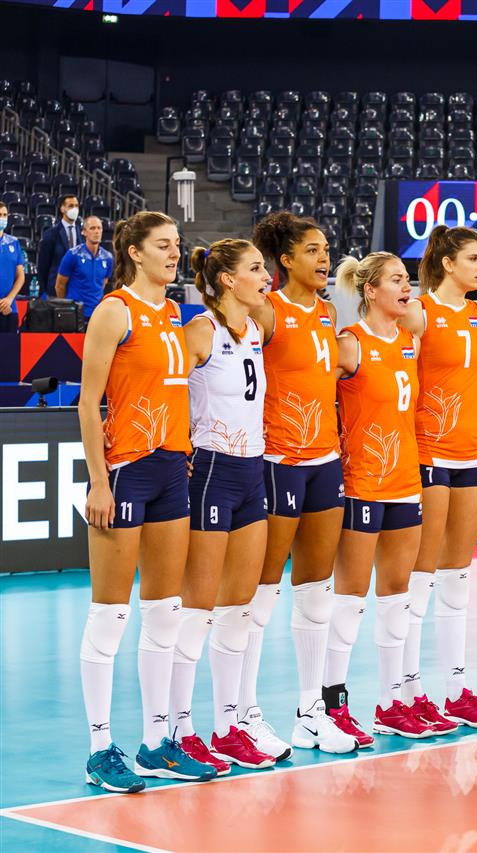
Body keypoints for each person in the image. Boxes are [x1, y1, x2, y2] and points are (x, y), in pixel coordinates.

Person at [76, 211, 215, 792]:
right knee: (110, 617)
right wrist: (99, 481)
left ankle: (157, 744)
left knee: (164, 613)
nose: (174, 253)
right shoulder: (116, 311)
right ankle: (99, 750)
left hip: (171, 471)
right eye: (163, 245)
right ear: (134, 252)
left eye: (177, 244)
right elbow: (88, 402)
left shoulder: (174, 313)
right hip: (126, 472)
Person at [249, 212, 359, 754]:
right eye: (312, 250)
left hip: (325, 459)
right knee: (261, 591)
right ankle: (243, 713)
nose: (323, 258)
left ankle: (310, 713)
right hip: (278, 460)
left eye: (326, 249)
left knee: (317, 591)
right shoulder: (266, 310)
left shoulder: (326, 312)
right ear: (286, 258)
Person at [167, 240, 278, 774]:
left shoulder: (254, 328)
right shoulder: (200, 331)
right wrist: (176, 447)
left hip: (252, 470)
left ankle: (228, 727)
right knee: (198, 609)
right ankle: (178, 730)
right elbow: (163, 387)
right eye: (256, 269)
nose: (266, 276)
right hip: (212, 471)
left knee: (240, 608)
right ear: (228, 279)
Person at [323, 252, 437, 740]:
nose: (406, 287)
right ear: (370, 290)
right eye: (396, 280)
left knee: (397, 596)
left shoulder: (410, 341)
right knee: (350, 599)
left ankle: (392, 703)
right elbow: (316, 395)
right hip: (362, 483)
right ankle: (331, 704)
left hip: (405, 481)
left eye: (407, 279)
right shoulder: (349, 344)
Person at [399, 225, 477, 729]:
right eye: (474, 258)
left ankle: (457, 691)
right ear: (446, 263)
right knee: (419, 577)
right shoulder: (418, 312)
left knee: (458, 578)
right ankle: (407, 692)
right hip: (430, 452)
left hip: (473, 452)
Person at [55, 215, 112, 319]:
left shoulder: (108, 258)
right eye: (92, 228)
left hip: (96, 314)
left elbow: (103, 283)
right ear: (84, 232)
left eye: (99, 228)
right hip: (75, 314)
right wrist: (66, 307)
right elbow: (59, 285)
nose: (96, 231)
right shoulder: (72, 254)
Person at [38, 193, 82, 293]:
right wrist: (44, 291)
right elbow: (43, 266)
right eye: (71, 206)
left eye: (76, 206)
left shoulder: (82, 233)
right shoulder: (51, 234)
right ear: (62, 209)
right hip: (55, 289)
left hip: (76, 288)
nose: (74, 209)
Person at [0, 202, 26, 329]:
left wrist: (9, 299)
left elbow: (20, 276)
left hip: (10, 309)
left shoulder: (14, 242)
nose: (2, 218)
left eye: (5, 215)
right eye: (0, 215)